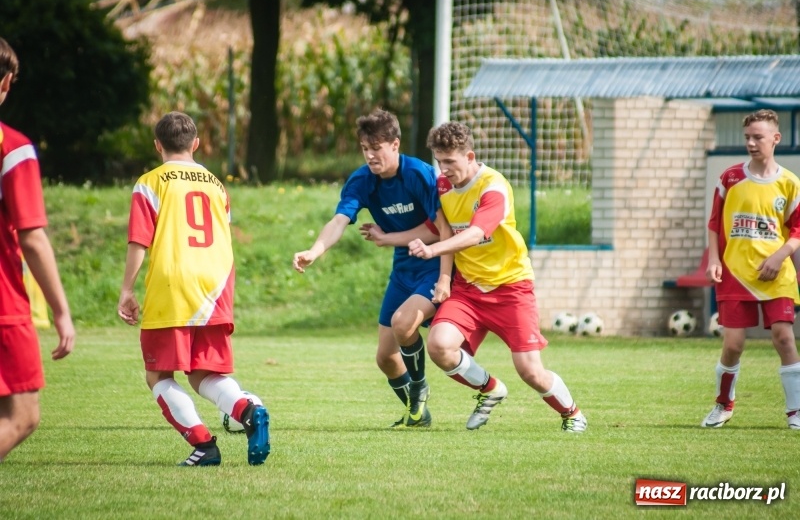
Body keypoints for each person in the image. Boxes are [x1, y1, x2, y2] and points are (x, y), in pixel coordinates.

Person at [409, 121, 587, 432]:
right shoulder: (442, 185)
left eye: (450, 161)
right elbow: (445, 229)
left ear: (470, 155)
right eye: (439, 161)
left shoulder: (493, 186)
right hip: (468, 289)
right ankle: (490, 389)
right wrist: (443, 278)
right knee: (439, 345)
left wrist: (433, 251)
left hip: (511, 287)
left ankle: (573, 413)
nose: (444, 168)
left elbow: (476, 233)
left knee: (530, 371)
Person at [117, 111, 270, 466]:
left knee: (157, 373)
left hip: (173, 285)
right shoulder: (218, 185)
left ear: (158, 146)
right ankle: (247, 409)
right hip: (216, 285)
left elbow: (139, 240)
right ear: (196, 144)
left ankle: (204, 446)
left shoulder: (150, 182)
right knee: (205, 373)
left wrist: (127, 289)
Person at [293, 109, 445, 428]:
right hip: (403, 269)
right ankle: (418, 415)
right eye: (365, 148)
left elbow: (438, 230)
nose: (371, 155)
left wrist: (388, 237)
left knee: (403, 324)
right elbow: (339, 221)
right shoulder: (362, 180)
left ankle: (419, 390)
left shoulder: (419, 174)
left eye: (376, 147)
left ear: (395, 145)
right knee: (386, 357)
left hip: (433, 264)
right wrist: (314, 251)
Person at [0, 37, 76, 462]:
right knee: (22, 416)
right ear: (7, 82)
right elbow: (31, 235)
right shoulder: (11, 148)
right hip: (3, 303)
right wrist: (60, 310)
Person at [702, 109, 800, 430]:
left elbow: (797, 230)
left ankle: (796, 412)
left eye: (758, 137)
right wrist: (715, 260)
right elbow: (715, 223)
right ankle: (723, 405)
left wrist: (780, 256)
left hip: (776, 275)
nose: (752, 143)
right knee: (733, 345)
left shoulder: (789, 183)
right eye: (747, 137)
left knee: (784, 338)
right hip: (735, 273)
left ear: (776, 138)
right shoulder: (730, 178)